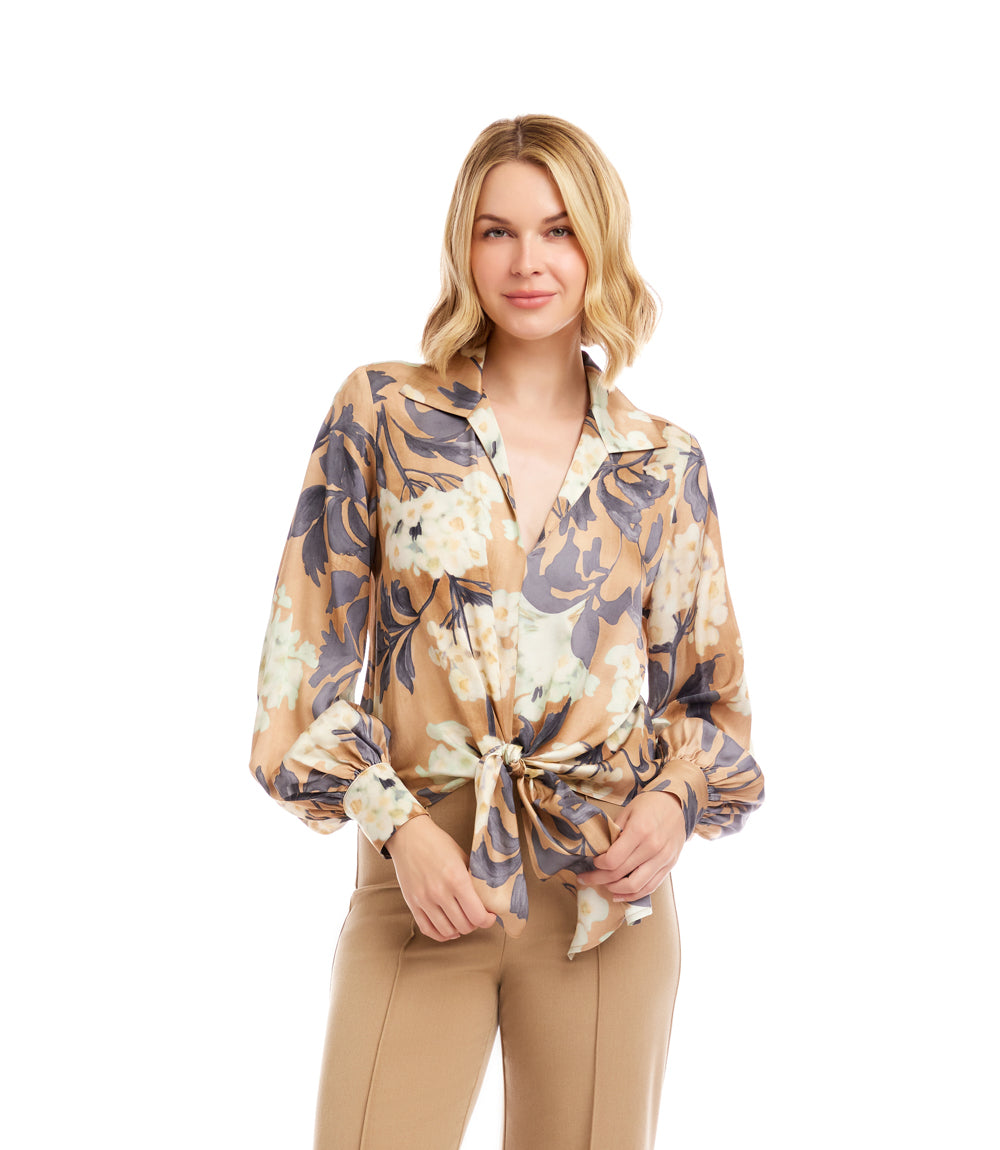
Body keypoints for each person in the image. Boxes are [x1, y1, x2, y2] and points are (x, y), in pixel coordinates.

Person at [250, 114, 763, 1150]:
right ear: (463, 246)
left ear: (599, 244)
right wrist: (398, 830)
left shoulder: (662, 464)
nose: (528, 261)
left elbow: (710, 703)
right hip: (422, 869)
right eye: (498, 231)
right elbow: (301, 674)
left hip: (603, 897)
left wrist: (673, 805)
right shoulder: (384, 414)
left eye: (558, 229)